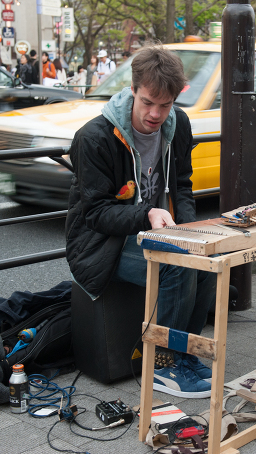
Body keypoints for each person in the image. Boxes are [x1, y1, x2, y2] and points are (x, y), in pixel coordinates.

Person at [66, 44, 216, 399]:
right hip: (100, 245)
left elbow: (182, 185)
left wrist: (190, 233)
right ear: (132, 89)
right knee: (176, 265)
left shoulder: (178, 125)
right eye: (148, 102)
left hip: (155, 232)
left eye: (165, 105)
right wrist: (145, 214)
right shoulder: (95, 137)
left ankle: (185, 352)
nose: (155, 114)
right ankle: (163, 364)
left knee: (206, 260)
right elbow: (95, 214)